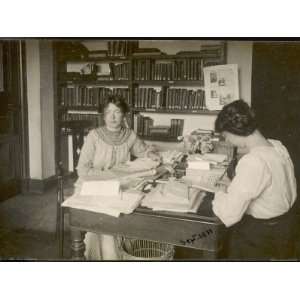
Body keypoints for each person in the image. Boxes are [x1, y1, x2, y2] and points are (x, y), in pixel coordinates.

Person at [75, 95, 161, 260]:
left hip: (119, 183)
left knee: (136, 204)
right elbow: (83, 170)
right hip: (92, 184)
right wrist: (110, 176)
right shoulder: (94, 136)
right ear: (103, 115)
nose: (113, 117)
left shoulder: (129, 135)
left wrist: (150, 153)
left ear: (124, 115)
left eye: (117, 112)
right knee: (106, 217)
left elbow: (142, 151)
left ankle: (124, 253)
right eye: (108, 112)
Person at [212, 100, 297, 260]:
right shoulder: (277, 146)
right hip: (285, 229)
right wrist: (234, 186)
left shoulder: (254, 161)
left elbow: (229, 215)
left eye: (225, 136)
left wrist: (219, 193)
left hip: (262, 235)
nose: (227, 141)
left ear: (235, 130)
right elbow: (270, 187)